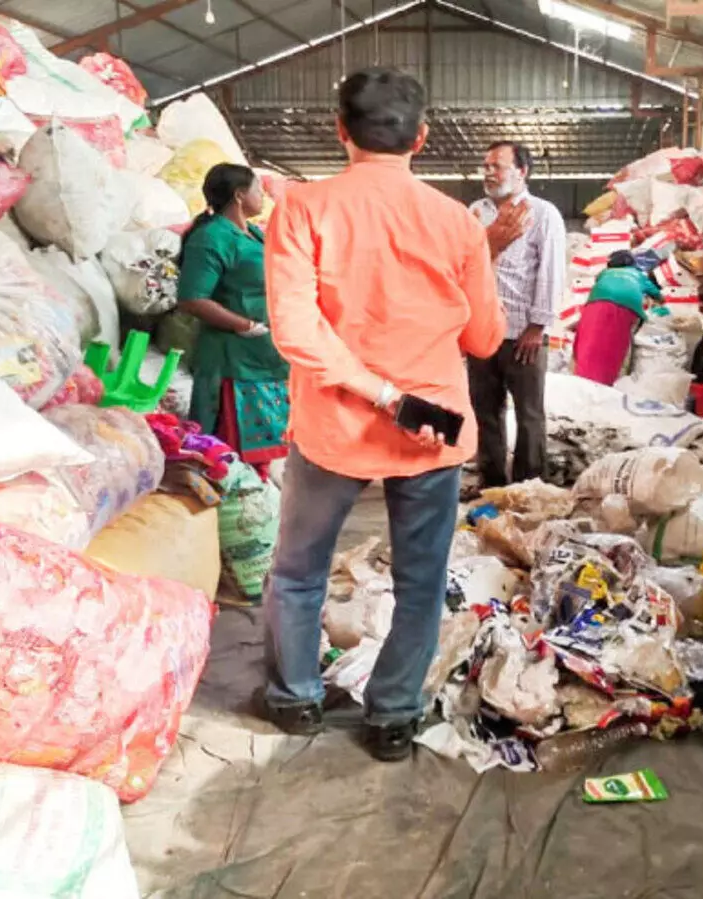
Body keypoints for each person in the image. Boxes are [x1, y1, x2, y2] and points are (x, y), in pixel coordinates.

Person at [261, 67, 506, 761]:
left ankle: (296, 698)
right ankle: (393, 717)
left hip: (334, 429)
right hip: (433, 435)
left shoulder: (302, 209)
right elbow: (485, 340)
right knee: (421, 584)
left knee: (299, 571)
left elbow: (295, 332)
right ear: (420, 138)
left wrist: (375, 390)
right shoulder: (457, 221)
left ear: (340, 131)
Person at [467, 140, 567, 489]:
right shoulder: (476, 212)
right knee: (486, 413)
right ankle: (491, 484)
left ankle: (529, 486)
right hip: (483, 333)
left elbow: (551, 273)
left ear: (522, 171)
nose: (489, 173)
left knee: (529, 414)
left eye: (497, 166)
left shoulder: (543, 214)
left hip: (523, 334)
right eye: (486, 166)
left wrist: (537, 326)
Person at [176, 163, 289, 469]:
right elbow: (192, 298)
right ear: (240, 195)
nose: (262, 194)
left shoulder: (251, 233)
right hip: (232, 361)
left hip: (263, 358)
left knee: (263, 455)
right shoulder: (211, 238)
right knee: (229, 451)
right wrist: (246, 325)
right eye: (256, 188)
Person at [573, 249, 662, 385]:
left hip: (596, 305)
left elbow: (599, 282)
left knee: (588, 341)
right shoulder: (638, 275)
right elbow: (658, 294)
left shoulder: (604, 273)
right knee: (614, 345)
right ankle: (607, 383)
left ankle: (582, 380)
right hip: (626, 308)